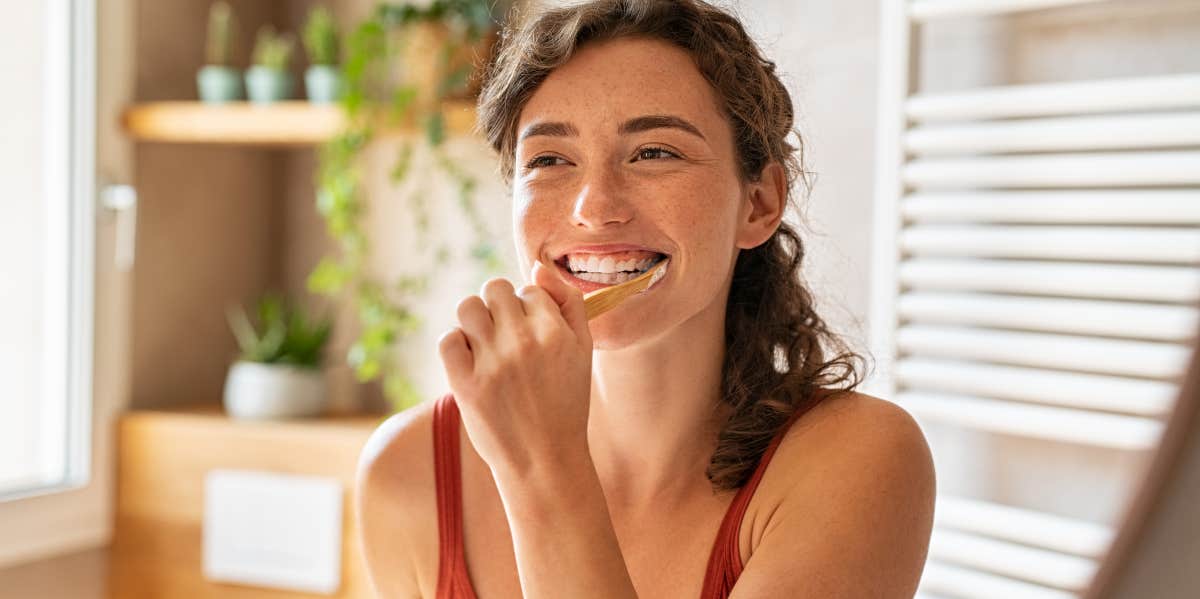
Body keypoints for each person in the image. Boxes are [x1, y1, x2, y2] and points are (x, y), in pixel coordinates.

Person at [356, 1, 936, 597]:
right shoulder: (409, 473)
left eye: (655, 152)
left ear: (759, 202)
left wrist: (542, 468)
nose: (594, 207)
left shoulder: (859, 464)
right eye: (550, 159)